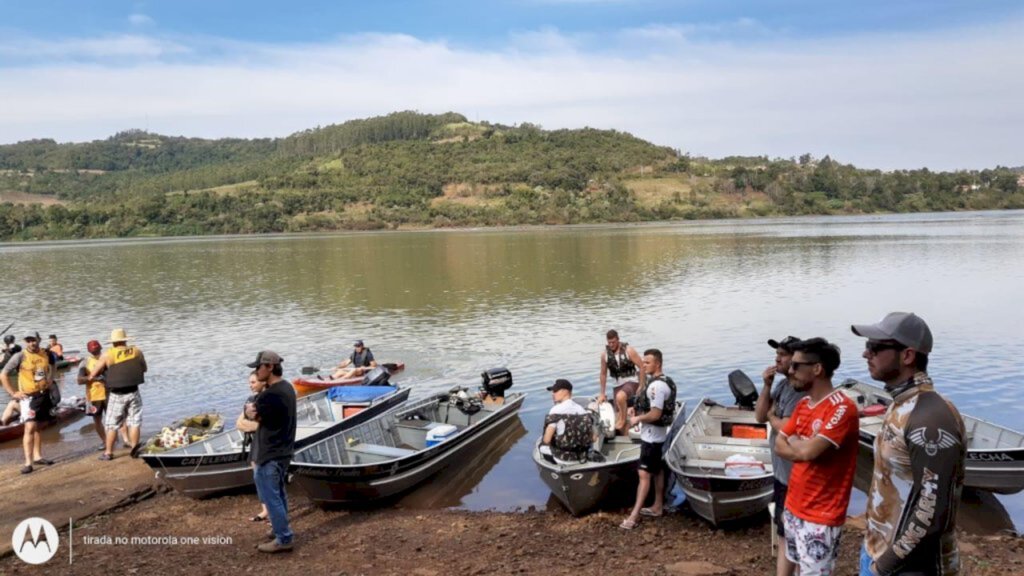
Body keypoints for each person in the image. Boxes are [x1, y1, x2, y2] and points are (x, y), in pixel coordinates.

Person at [852, 312, 966, 576]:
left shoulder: (931, 418)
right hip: (877, 554)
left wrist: (885, 566)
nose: (865, 354)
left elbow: (932, 513)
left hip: (911, 568)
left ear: (907, 356)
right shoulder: (901, 403)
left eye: (875, 347)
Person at [774, 337, 859, 576]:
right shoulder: (802, 404)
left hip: (820, 516)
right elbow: (780, 445)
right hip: (794, 506)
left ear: (817, 369)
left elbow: (809, 451)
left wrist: (799, 445)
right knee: (796, 564)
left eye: (796, 366)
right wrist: (799, 445)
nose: (789, 371)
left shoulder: (841, 408)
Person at [754, 335, 807, 576]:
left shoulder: (800, 392)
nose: (777, 359)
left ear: (797, 360)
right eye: (777, 354)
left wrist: (774, 418)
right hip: (781, 474)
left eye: (782, 355)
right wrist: (766, 385)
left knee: (792, 532)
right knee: (786, 530)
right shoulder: (783, 385)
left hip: (794, 477)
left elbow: (785, 427)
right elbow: (760, 416)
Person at [244, 350, 296, 553]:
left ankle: (283, 538)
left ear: (270, 367)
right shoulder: (287, 387)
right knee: (279, 493)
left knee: (270, 495)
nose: (256, 372)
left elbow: (255, 417)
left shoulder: (271, 394)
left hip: (270, 453)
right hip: (283, 450)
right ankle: (280, 529)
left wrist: (249, 411)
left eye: (259, 367)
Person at [620, 348, 676, 530]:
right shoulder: (664, 381)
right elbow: (651, 406)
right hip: (659, 436)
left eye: (647, 363)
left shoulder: (657, 386)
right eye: (643, 362)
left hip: (652, 438)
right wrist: (635, 408)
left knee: (643, 475)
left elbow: (655, 413)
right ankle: (658, 506)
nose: (643, 365)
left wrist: (637, 419)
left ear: (657, 364)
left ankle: (633, 516)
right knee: (657, 469)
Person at [0, 332, 57, 474]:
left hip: (43, 395)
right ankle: (28, 463)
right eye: (29, 340)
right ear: (26, 342)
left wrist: (51, 378)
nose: (32, 343)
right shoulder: (20, 356)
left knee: (38, 427)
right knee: (29, 427)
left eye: (34, 340)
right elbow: (3, 374)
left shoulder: (46, 353)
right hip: (28, 398)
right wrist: (13, 393)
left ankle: (38, 457)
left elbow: (53, 364)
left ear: (39, 339)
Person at [89, 328, 147, 460]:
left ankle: (108, 453)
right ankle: (134, 449)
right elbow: (144, 368)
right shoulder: (137, 351)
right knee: (134, 422)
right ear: (125, 340)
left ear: (113, 342)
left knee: (111, 424)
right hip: (134, 391)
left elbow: (93, 374)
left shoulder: (108, 354)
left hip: (117, 394)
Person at [236, 370, 269, 523]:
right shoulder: (250, 400)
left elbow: (272, 424)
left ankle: (274, 511)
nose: (250, 385)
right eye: (249, 382)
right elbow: (239, 423)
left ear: (263, 381)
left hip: (268, 443)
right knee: (257, 476)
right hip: (256, 442)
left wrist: (256, 425)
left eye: (253, 382)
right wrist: (258, 425)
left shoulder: (269, 399)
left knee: (268, 477)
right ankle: (265, 510)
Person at [598, 329, 646, 434]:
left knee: (620, 397)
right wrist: (602, 393)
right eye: (609, 342)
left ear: (618, 340)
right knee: (618, 414)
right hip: (617, 385)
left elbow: (642, 367)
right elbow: (603, 374)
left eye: (613, 342)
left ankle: (623, 420)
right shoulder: (604, 355)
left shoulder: (629, 350)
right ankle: (625, 433)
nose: (611, 345)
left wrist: (641, 385)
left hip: (632, 381)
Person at [540, 379, 594, 463]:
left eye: (555, 391)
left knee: (541, 446)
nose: (553, 394)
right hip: (580, 457)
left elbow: (547, 439)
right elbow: (593, 438)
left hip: (561, 458)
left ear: (564, 391)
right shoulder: (582, 410)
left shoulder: (555, 411)